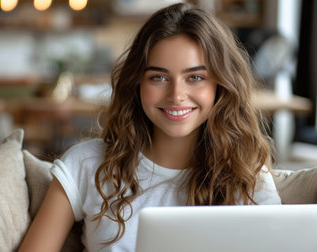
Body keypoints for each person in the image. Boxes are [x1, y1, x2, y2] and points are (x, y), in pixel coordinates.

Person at [19, 2, 281, 251]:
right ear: (137, 84)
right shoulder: (86, 164)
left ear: (220, 85)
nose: (176, 95)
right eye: (158, 77)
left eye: (195, 77)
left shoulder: (248, 176)